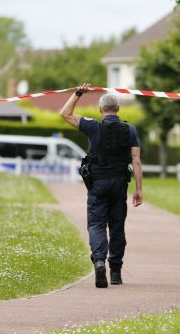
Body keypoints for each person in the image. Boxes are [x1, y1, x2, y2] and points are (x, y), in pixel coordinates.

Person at [60, 83, 143, 288]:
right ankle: (115, 271)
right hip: (119, 183)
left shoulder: (93, 126)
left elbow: (65, 113)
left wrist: (78, 93)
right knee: (117, 226)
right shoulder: (130, 130)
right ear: (118, 109)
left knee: (96, 224)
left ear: (100, 109)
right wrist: (139, 189)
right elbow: (136, 161)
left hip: (97, 183)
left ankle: (99, 261)